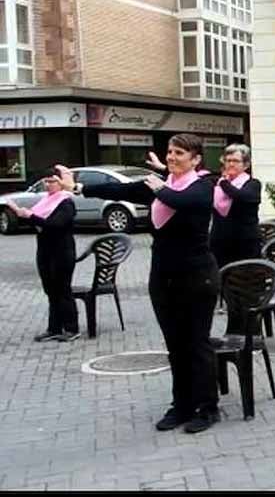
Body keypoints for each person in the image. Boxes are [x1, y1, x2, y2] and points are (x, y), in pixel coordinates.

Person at [56, 133, 221, 433]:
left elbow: (180, 201)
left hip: (197, 277)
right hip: (163, 276)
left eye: (179, 153)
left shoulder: (202, 187)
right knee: (175, 345)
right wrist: (78, 186)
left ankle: (208, 407)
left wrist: (159, 184)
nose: (171, 157)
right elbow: (121, 188)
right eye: (170, 152)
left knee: (196, 343)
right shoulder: (164, 186)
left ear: (196, 159)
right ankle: (181, 405)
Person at [150, 144, 261, 266]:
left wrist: (223, 183)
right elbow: (193, 177)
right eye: (228, 160)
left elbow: (240, 196)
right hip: (219, 243)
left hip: (245, 244)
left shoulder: (253, 184)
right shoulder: (216, 181)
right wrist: (163, 167)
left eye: (235, 161)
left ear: (246, 165)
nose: (231, 164)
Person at [7, 167, 79, 342]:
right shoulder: (46, 200)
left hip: (62, 252)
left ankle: (71, 328)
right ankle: (54, 328)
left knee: (62, 289)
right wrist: (21, 213)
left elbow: (55, 224)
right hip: (45, 251)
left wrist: (31, 216)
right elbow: (38, 220)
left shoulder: (66, 202)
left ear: (61, 183)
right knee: (51, 290)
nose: (48, 185)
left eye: (52, 181)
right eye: (46, 181)